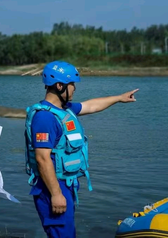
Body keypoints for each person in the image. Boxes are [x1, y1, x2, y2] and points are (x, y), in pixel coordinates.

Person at [24, 61, 139, 238]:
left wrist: (119, 98)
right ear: (60, 86)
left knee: (67, 232)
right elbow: (42, 159)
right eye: (72, 85)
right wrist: (56, 194)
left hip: (66, 184)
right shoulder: (45, 118)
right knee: (62, 233)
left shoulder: (64, 110)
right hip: (52, 186)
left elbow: (91, 105)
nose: (75, 89)